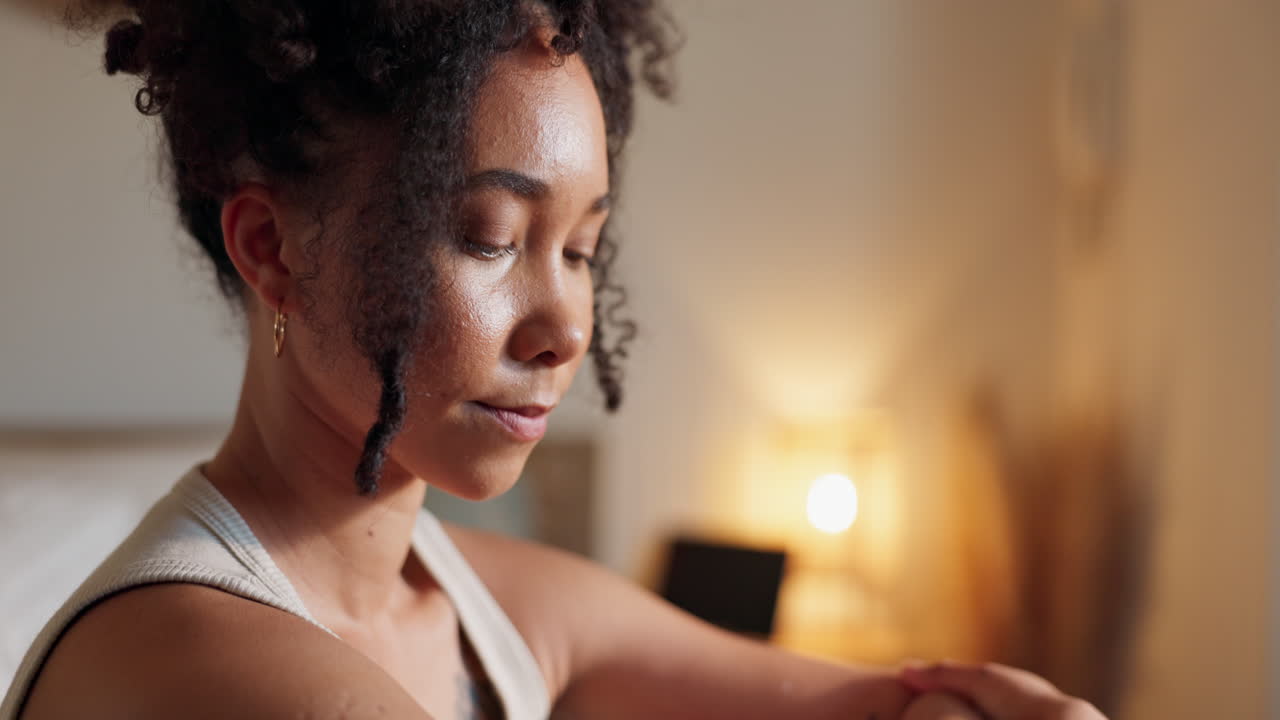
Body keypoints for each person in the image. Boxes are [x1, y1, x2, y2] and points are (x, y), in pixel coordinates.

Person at [3, 2, 1107, 719]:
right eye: (489, 237)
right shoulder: (187, 659)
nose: (564, 327)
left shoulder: (476, 604)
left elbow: (876, 708)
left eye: (580, 249)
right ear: (271, 248)